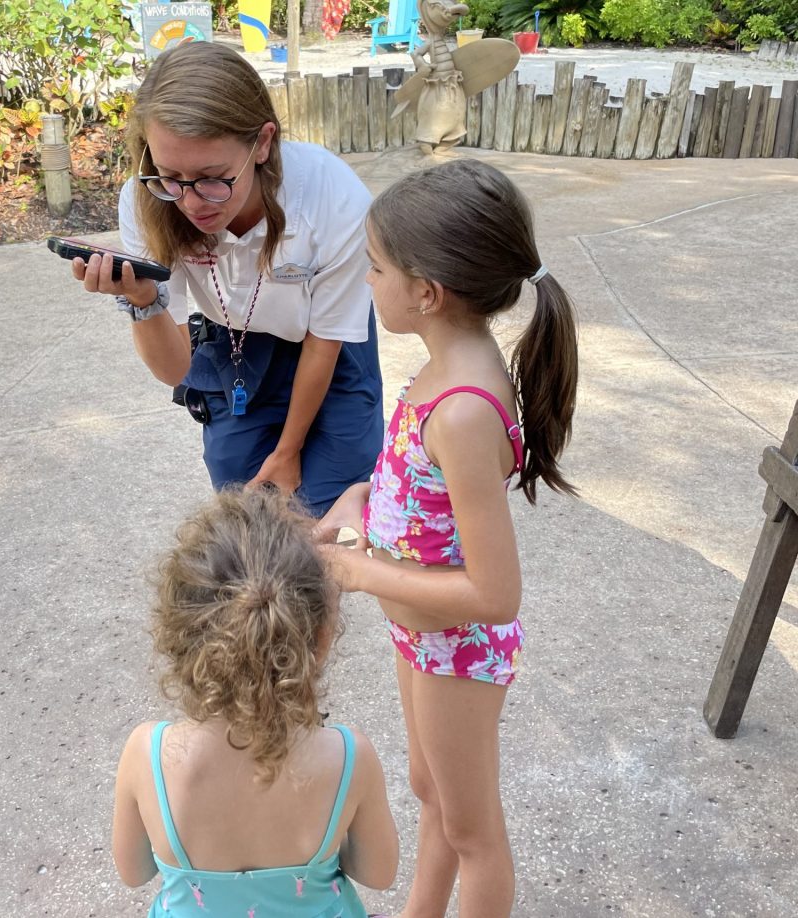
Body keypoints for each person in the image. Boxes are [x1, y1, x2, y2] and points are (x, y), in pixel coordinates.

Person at [315, 159, 579, 918]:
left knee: (473, 833)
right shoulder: (442, 367)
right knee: (431, 791)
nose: (367, 282)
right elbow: (416, 491)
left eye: (374, 269)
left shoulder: (463, 409)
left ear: (425, 292)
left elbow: (494, 595)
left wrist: (361, 575)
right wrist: (361, 499)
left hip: (457, 646)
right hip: (421, 635)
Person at [71, 41, 383, 516]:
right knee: (242, 506)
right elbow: (177, 371)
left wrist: (287, 451)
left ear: (262, 143)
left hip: (328, 346)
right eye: (170, 175)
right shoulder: (146, 199)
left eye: (214, 177)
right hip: (237, 345)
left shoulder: (331, 195)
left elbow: (324, 341)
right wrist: (143, 300)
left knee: (326, 516)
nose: (192, 203)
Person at [111, 488, 399, 917]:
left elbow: (134, 871)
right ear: (318, 641)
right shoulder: (348, 756)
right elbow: (379, 873)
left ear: (178, 635)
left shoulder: (146, 753)